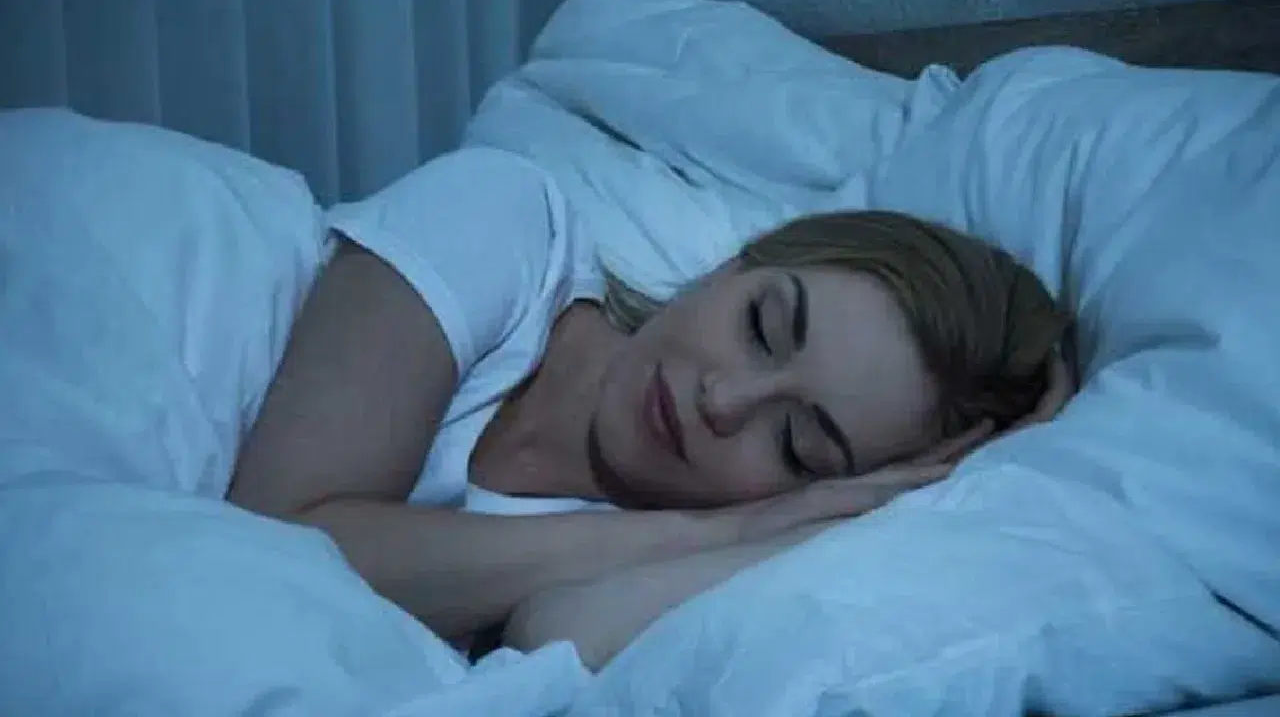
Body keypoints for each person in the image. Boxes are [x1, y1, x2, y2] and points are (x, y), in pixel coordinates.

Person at [227, 147, 1071, 668]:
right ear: (737, 264)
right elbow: (267, 549)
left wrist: (770, 532)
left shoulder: (658, 554)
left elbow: (552, 640)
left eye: (796, 447)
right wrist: (724, 526)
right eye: (761, 327)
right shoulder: (507, 224)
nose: (723, 400)